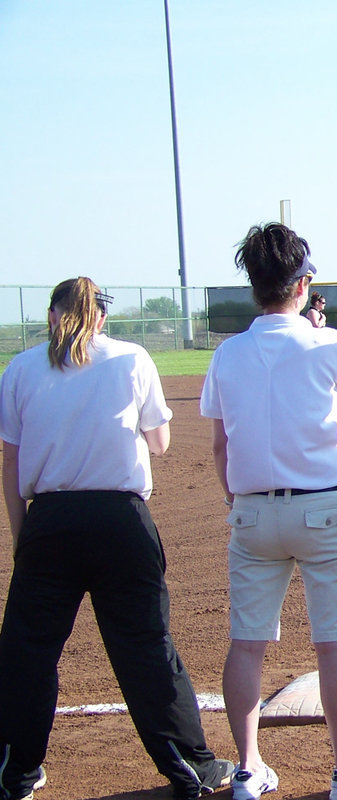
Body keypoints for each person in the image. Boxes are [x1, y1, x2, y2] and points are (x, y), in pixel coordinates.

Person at [0, 278, 234, 800]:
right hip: (120, 520)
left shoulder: (21, 367)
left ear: (52, 315)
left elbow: (11, 464)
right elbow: (162, 442)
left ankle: (14, 774)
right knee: (146, 645)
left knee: (27, 653)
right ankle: (190, 768)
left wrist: (23, 538)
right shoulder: (132, 358)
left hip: (49, 521)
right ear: (100, 316)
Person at [200, 224, 337, 800]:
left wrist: (241, 502)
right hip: (325, 508)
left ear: (254, 286)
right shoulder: (327, 344)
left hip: (254, 512)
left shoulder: (227, 354)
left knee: (246, 644)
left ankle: (248, 769)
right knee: (333, 644)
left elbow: (220, 446)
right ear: (302, 284)